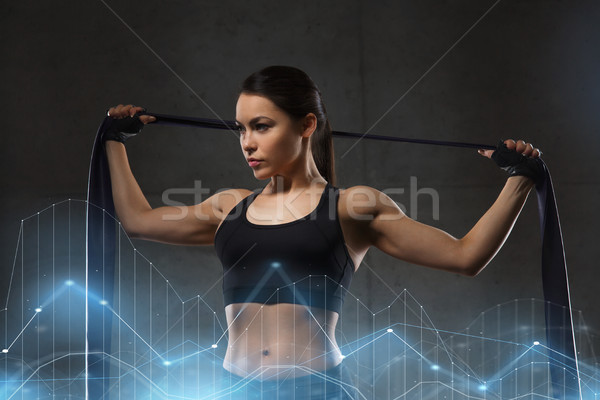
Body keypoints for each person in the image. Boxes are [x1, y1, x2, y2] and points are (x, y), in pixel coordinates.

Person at [103, 65, 542, 399]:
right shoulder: (229, 206)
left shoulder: (352, 207)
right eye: (241, 129)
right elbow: (138, 221)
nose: (247, 143)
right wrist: (114, 141)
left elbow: (465, 256)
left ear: (306, 125)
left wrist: (520, 178)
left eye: (262, 126)